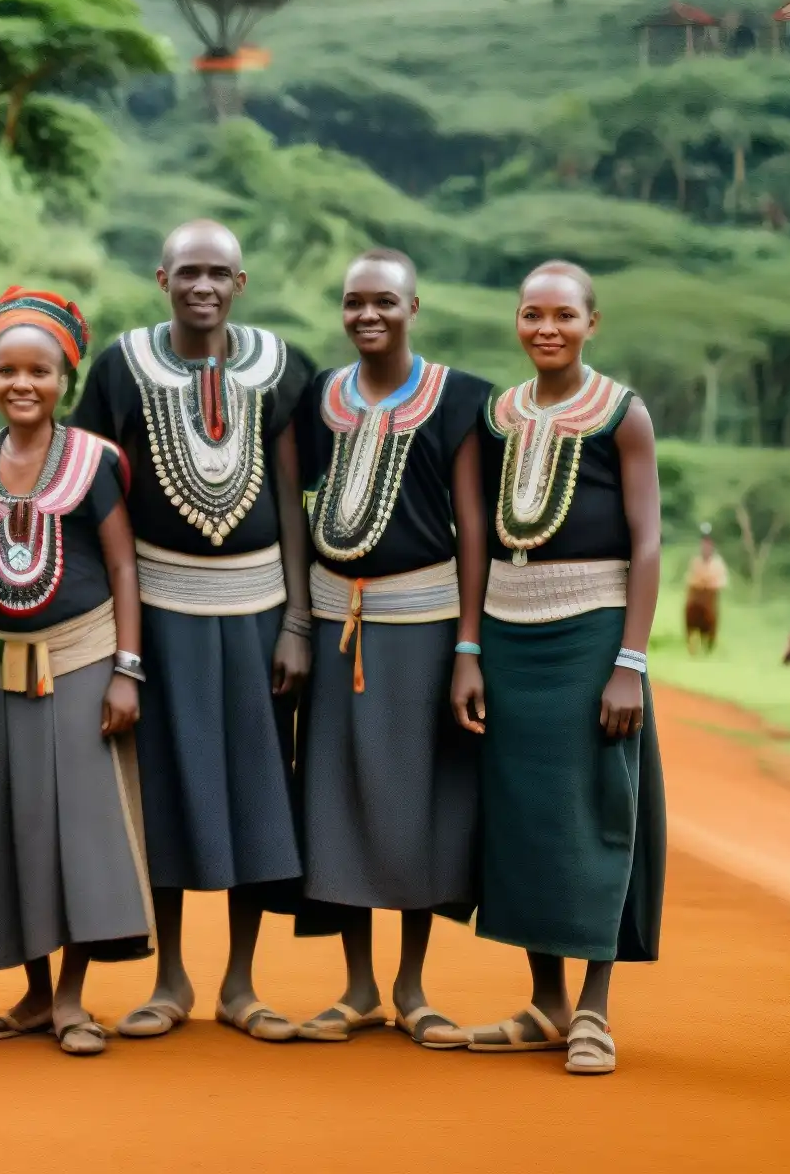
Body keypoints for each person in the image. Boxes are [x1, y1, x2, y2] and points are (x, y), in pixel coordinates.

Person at [69, 219, 311, 1043]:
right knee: (163, 789)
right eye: (188, 273)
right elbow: (93, 496)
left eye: (219, 273)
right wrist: (112, 642)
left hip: (258, 612)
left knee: (255, 787)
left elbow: (292, 499)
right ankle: (169, 978)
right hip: (160, 612)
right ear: (161, 277)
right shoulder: (120, 369)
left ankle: (240, 984)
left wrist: (299, 625)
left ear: (240, 283)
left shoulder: (281, 368)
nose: (203, 286)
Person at [438, 261, 665, 1078]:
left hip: (592, 636)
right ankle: (546, 1004)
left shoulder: (622, 415)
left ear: (591, 325)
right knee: (525, 818)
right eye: (532, 314)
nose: (546, 329)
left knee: (596, 809)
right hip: (507, 632)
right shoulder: (495, 418)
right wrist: (468, 649)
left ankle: (595, 1011)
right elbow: (478, 539)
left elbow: (646, 544)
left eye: (563, 316)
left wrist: (628, 663)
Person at [292, 250, 492, 1048]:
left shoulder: (459, 399)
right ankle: (357, 987)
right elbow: (294, 496)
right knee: (337, 795)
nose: (367, 315)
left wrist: (469, 648)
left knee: (419, 800)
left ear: (416, 305)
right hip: (339, 620)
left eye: (384, 301)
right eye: (353, 302)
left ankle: (412, 987)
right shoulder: (319, 397)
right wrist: (299, 625)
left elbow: (473, 528)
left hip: (425, 624)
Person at [0, 288, 150, 1059]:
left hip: (85, 661)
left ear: (64, 378)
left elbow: (124, 565)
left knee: (79, 830)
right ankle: (34, 994)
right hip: (5, 675)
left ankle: (71, 998)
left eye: (39, 370)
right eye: (7, 370)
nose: (21, 384)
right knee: (18, 827)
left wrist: (125, 672)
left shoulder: (93, 462)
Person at [683, 524, 727, 654]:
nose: (705, 547)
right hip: (696, 600)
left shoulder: (717, 563)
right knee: (688, 610)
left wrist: (708, 583)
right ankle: (691, 645)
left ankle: (709, 647)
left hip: (709, 601)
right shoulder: (695, 561)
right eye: (703, 544)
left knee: (712, 617)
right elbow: (689, 579)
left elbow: (722, 582)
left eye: (708, 544)